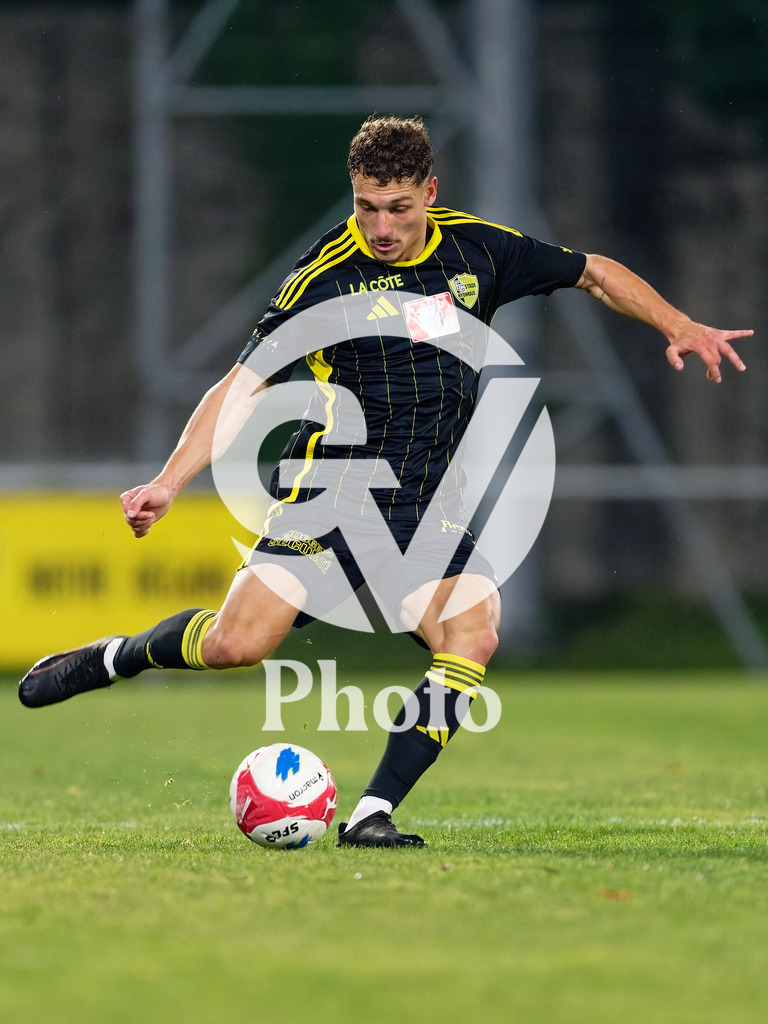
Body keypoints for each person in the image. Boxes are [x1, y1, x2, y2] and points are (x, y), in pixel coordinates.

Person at [19, 115, 752, 847]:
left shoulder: (479, 249)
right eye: (367, 206)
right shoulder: (326, 275)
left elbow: (593, 270)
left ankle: (372, 813)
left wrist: (676, 323)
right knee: (235, 648)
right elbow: (240, 386)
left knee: (472, 632)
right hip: (332, 489)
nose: (381, 226)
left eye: (398, 208)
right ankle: (114, 656)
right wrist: (170, 480)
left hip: (426, 505)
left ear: (429, 193)